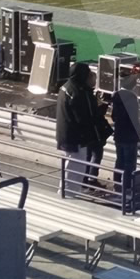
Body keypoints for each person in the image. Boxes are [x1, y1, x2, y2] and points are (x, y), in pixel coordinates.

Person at [55, 62, 109, 191]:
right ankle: (68, 192)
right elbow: (86, 117)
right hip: (76, 138)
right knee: (76, 166)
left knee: (71, 164)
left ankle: (66, 190)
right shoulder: (78, 92)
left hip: (65, 134)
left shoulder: (66, 87)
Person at [110, 85, 140, 202]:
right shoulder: (132, 102)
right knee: (129, 163)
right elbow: (134, 121)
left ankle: (117, 185)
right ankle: (127, 187)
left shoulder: (117, 102)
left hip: (119, 136)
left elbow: (114, 118)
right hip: (130, 137)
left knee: (120, 161)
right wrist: (139, 131)